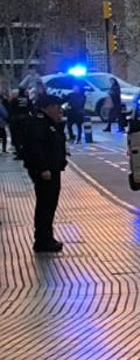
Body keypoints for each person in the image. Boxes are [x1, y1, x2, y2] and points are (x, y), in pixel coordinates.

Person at [23, 93, 69, 253]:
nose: (60, 111)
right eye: (57, 108)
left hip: (53, 169)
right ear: (48, 107)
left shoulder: (49, 122)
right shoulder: (38, 123)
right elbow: (35, 148)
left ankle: (47, 237)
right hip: (46, 171)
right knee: (45, 205)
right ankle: (42, 240)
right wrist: (43, 168)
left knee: (50, 205)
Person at [8, 87, 32, 160]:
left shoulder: (15, 100)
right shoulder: (27, 100)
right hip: (26, 120)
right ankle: (25, 153)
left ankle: (19, 153)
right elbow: (31, 108)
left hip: (16, 121)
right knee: (25, 138)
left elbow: (11, 109)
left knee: (17, 138)